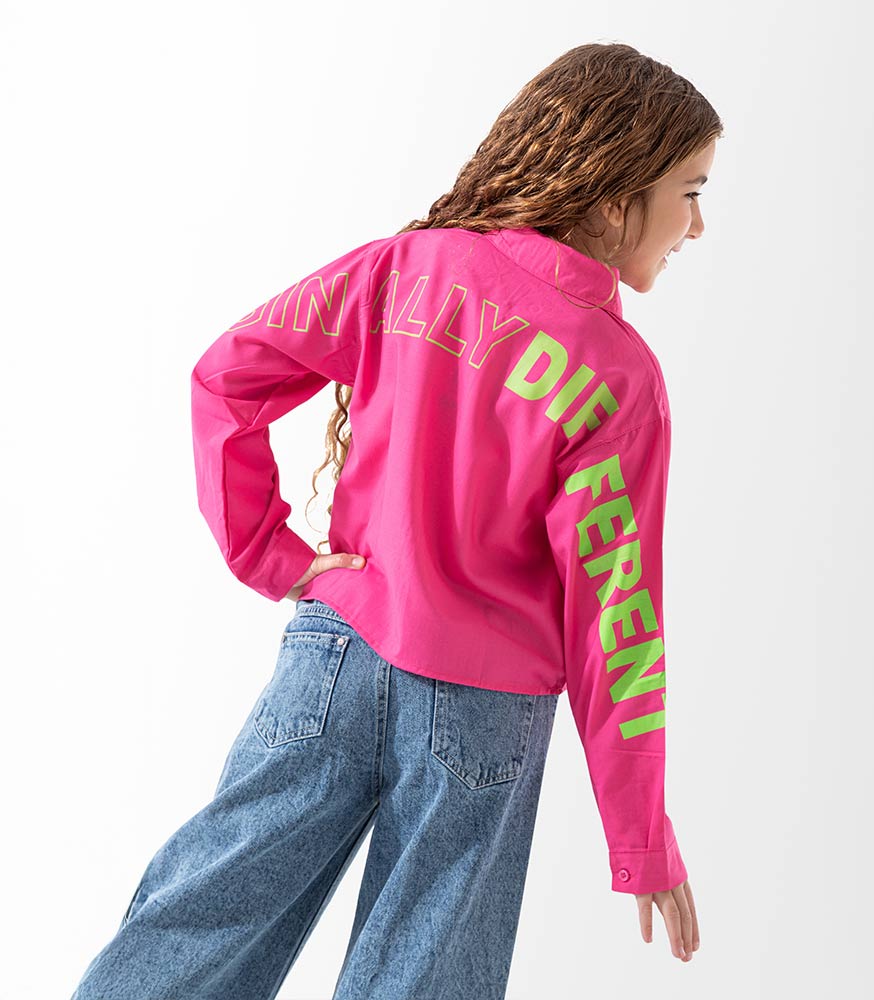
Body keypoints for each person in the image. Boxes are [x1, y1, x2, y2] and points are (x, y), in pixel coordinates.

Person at [70, 40, 720, 1000]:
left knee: (199, 923)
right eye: (691, 192)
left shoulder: (409, 268)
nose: (698, 224)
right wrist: (641, 836)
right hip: (482, 713)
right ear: (618, 193)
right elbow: (615, 622)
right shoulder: (617, 377)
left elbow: (225, 378)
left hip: (335, 657)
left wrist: (276, 557)